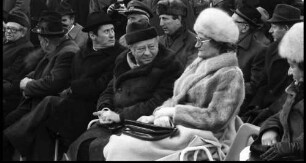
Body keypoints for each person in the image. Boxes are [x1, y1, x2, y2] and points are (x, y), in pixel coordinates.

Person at [103, 8, 245, 161]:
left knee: (122, 147)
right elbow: (176, 98)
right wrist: (159, 113)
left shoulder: (231, 74)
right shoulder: (198, 64)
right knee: (118, 143)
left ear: (218, 43)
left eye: (201, 41)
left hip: (206, 137)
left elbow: (216, 118)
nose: (196, 45)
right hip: (179, 129)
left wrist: (174, 113)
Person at [2, 11, 125, 161]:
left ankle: (14, 137)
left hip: (90, 108)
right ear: (93, 36)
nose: (112, 35)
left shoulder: (117, 56)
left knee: (47, 106)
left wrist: (73, 87)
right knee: (42, 127)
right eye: (107, 31)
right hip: (69, 102)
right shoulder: (82, 53)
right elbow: (49, 74)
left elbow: (99, 86)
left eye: (112, 30)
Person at [66, 20, 184, 161]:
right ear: (131, 50)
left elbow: (158, 102)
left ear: (158, 43)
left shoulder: (169, 65)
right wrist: (104, 109)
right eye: (141, 49)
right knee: (81, 146)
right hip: (114, 122)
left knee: (102, 150)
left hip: (143, 124)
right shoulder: (123, 61)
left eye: (152, 47)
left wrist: (120, 116)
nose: (148, 53)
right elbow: (110, 89)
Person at [4, 11, 80, 130]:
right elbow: (39, 70)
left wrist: (28, 86)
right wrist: (26, 80)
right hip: (35, 101)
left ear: (46, 41)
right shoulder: (57, 48)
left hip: (45, 108)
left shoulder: (67, 52)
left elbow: (54, 83)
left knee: (9, 128)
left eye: (40, 40)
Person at [248, 22, 303, 161]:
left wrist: (292, 147)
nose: (289, 72)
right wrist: (270, 129)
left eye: (292, 66)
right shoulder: (296, 89)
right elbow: (281, 115)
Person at [243, 4, 303, 126]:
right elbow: (263, 82)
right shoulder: (272, 49)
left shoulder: (299, 56)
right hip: (266, 106)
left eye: (274, 27)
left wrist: (268, 113)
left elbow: (289, 94)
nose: (270, 31)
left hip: (279, 110)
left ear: (286, 28)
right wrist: (254, 106)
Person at [232, 5, 267, 116]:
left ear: (245, 28)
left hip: (238, 105)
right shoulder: (227, 42)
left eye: (233, 22)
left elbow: (253, 86)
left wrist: (227, 86)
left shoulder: (259, 51)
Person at [3, 12, 34, 118]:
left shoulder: (26, 49)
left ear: (23, 32)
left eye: (13, 29)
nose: (8, 32)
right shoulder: (9, 43)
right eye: (7, 28)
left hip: (9, 97)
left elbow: (13, 75)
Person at [157, 0, 197, 68]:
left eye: (165, 19)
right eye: (160, 19)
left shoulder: (195, 42)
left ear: (179, 19)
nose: (161, 24)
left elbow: (191, 71)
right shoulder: (158, 41)